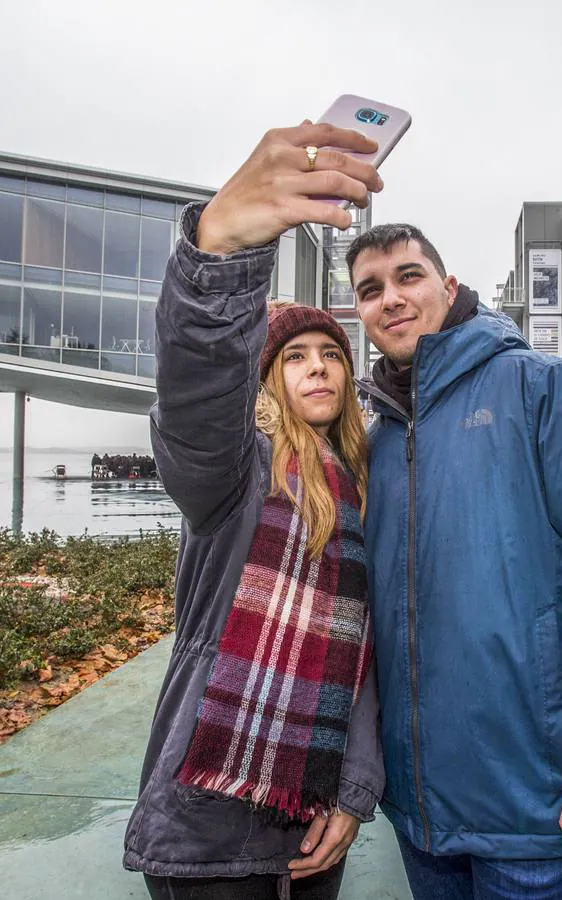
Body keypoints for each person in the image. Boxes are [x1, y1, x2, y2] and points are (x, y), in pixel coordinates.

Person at [347, 226, 562, 890]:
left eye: (408, 276)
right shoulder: (377, 439)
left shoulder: (540, 390)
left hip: (538, 810)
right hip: (419, 817)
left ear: (448, 289)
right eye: (370, 289)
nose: (390, 298)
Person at [124, 120, 387, 900]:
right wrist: (221, 258)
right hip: (206, 821)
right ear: (268, 380)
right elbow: (198, 385)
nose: (317, 369)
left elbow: (369, 660)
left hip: (311, 818)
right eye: (294, 357)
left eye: (330, 354)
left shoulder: (366, 492)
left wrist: (353, 795)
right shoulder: (233, 472)